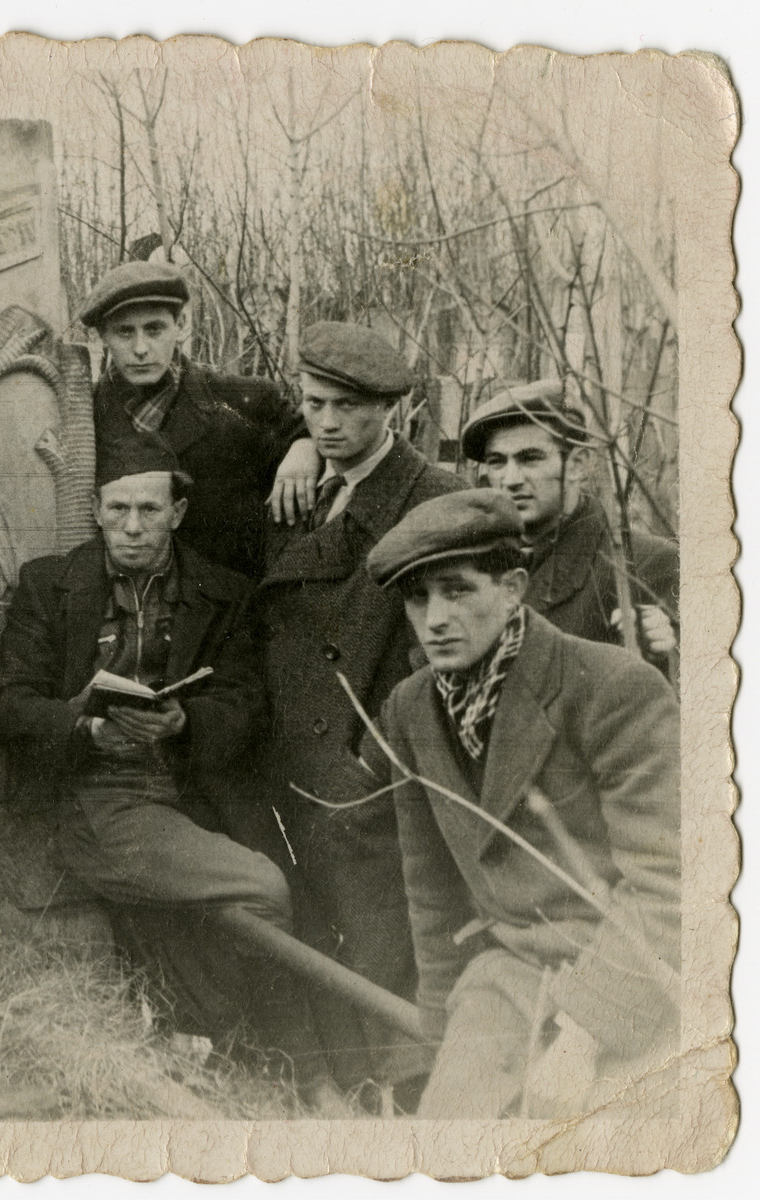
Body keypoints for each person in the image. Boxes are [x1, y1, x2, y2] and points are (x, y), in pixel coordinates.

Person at [0, 437, 342, 1109]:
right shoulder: (49, 585)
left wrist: (183, 722)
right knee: (262, 889)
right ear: (95, 509)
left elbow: (246, 701)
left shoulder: (219, 592)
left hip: (194, 789)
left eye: (150, 509)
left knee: (292, 890)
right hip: (100, 798)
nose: (133, 527)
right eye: (117, 509)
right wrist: (85, 726)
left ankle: (242, 1053)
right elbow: (4, 705)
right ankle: (312, 1080)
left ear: (178, 513)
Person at [365, 489, 680, 1118]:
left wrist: (584, 1036)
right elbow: (429, 887)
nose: (434, 620)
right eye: (417, 598)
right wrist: (443, 1040)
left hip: (631, 978)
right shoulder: (410, 707)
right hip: (506, 977)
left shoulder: (612, 687)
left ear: (512, 589)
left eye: (457, 591)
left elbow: (668, 884)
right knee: (446, 1145)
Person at [250, 321, 463, 1105]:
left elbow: (440, 644)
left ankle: (405, 1097)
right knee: (317, 933)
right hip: (292, 766)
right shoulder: (299, 487)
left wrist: (372, 757)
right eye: (313, 405)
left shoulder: (431, 498)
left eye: (347, 408)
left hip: (369, 768)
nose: (328, 423)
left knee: (385, 939)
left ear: (391, 414)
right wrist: (297, 449)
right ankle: (347, 1086)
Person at [82, 261, 320, 579]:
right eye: (125, 331)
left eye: (154, 329)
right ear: (102, 337)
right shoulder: (83, 417)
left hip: (228, 616)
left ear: (180, 325)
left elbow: (321, 428)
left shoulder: (243, 401)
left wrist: (305, 445)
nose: (141, 348)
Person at [460, 380, 678, 663]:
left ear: (578, 464)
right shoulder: (474, 559)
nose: (510, 480)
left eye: (530, 459)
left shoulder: (646, 564)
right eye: (497, 462)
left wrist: (662, 656)